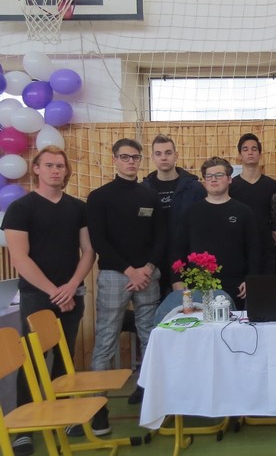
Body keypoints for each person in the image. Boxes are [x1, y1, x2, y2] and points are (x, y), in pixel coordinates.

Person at [1, 146, 96, 455]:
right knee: (32, 359)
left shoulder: (77, 207)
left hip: (71, 293)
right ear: (37, 169)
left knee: (65, 355)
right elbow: (19, 257)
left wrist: (72, 285)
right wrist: (54, 291)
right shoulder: (21, 208)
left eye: (60, 166)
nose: (56, 170)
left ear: (66, 171)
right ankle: (24, 429)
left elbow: (88, 251)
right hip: (36, 295)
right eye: (50, 165)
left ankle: (64, 416)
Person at [86, 138, 165, 435]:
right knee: (106, 340)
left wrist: (148, 268)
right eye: (125, 157)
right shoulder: (99, 197)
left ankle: (152, 401)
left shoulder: (150, 196)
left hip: (147, 275)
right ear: (115, 160)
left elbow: (161, 237)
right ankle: (99, 410)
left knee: (150, 337)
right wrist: (129, 270)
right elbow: (99, 240)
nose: (131, 162)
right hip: (114, 275)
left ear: (141, 160)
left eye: (135, 157)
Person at [172, 157, 260, 309]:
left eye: (219, 175)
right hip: (197, 286)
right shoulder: (191, 212)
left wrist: (252, 279)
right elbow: (178, 249)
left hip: (236, 286)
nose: (213, 179)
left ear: (229, 179)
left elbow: (254, 249)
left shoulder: (243, 211)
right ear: (204, 181)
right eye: (209, 176)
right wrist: (177, 280)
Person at [142, 134, 206, 298]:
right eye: (158, 153)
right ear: (152, 157)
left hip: (187, 260)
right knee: (155, 309)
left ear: (176, 155)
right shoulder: (143, 190)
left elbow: (203, 226)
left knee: (190, 306)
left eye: (168, 153)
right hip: (153, 261)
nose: (164, 157)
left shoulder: (194, 188)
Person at [229, 133, 276, 274]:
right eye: (245, 149)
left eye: (254, 149)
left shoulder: (272, 186)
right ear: (240, 155)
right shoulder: (231, 186)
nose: (250, 152)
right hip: (239, 248)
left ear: (260, 154)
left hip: (266, 248)